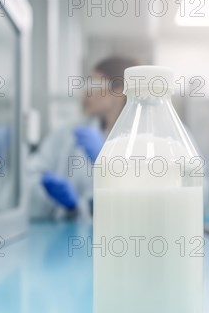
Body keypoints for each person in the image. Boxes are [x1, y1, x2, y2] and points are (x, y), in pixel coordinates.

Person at [28, 56, 139, 219]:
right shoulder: (70, 132)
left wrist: (107, 164)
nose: (87, 92)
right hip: (67, 233)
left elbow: (143, 199)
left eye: (95, 85)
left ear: (119, 90)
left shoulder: (146, 138)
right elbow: (31, 172)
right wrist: (67, 204)